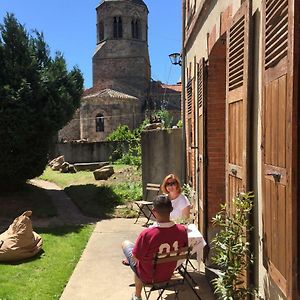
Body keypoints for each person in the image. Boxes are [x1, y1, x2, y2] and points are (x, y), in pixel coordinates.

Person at [122, 195, 188, 300]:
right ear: (171, 209)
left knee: (126, 244)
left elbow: (135, 259)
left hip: (149, 276)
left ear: (153, 211)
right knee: (139, 256)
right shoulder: (182, 230)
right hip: (169, 273)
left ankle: (137, 295)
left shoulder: (147, 234)